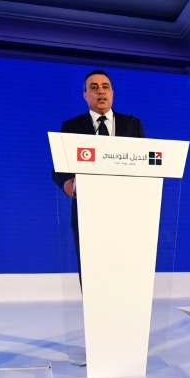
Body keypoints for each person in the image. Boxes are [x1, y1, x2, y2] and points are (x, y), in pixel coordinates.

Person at [52, 69, 145, 284]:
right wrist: (66, 182)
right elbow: (59, 168)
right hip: (87, 211)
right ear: (85, 95)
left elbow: (144, 165)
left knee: (124, 270)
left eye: (105, 87)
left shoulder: (132, 124)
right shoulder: (71, 126)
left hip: (126, 210)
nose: (100, 92)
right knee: (91, 271)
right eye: (94, 88)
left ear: (112, 93)